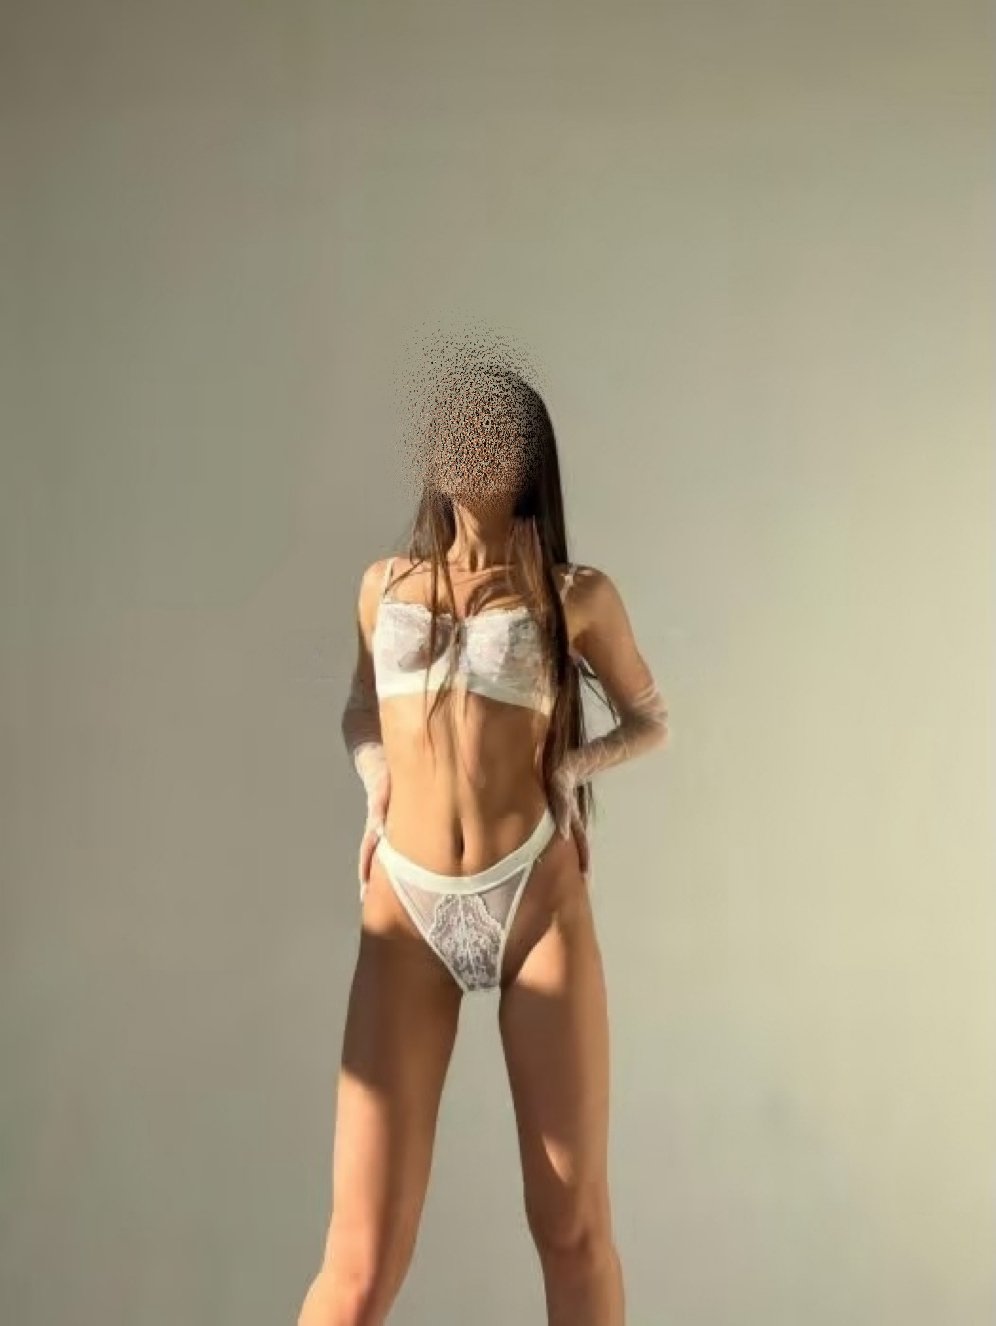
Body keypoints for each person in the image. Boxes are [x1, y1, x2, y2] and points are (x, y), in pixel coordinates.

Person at [298, 367, 669, 1326]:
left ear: (528, 456)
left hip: (533, 900)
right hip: (406, 907)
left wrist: (570, 772)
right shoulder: (383, 585)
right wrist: (376, 785)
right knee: (358, 1259)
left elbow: (651, 718)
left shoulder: (576, 594)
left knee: (572, 1230)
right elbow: (360, 708)